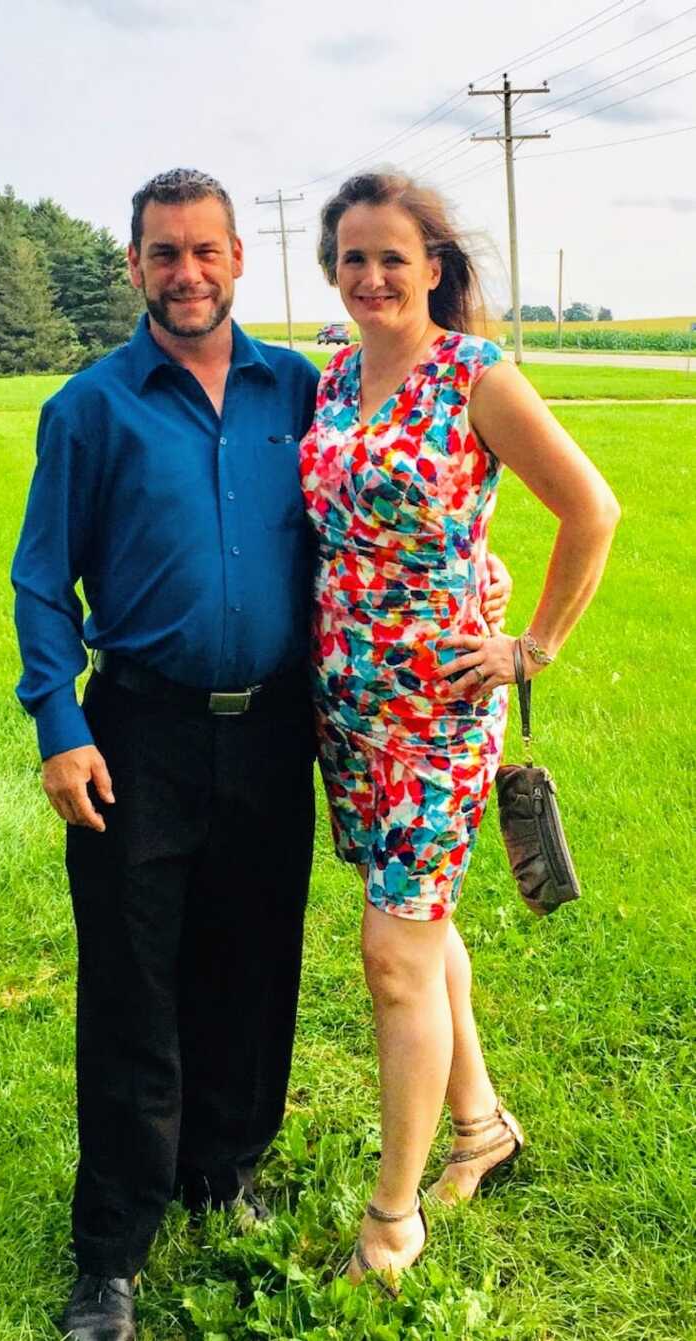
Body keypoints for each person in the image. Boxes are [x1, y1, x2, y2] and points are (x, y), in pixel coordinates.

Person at [11, 167, 512, 1340]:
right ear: (134, 267)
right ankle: (114, 1251)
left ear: (241, 259)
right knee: (135, 984)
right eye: (163, 254)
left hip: (285, 723)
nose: (186, 274)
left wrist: (479, 585)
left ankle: (223, 1172)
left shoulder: (310, 388)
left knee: (251, 967)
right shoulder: (90, 407)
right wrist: (60, 723)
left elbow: (404, 506)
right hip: (140, 729)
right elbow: (42, 581)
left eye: (206, 251)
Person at [299, 170, 620, 1294]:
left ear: (434, 265)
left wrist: (528, 644)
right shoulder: (335, 377)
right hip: (348, 709)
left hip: (439, 715)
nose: (371, 277)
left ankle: (393, 1224)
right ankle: (480, 1126)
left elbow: (591, 509)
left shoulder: (475, 376)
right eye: (352, 258)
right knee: (422, 936)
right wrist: (472, 566)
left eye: (393, 256)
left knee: (392, 956)